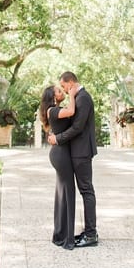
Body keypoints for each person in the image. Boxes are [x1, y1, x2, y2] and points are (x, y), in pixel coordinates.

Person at [47, 71, 98, 248]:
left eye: (64, 86)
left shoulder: (83, 98)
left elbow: (77, 128)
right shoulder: (78, 97)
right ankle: (88, 231)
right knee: (83, 190)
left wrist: (58, 138)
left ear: (70, 83)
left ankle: (91, 234)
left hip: (82, 152)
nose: (64, 89)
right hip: (74, 152)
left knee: (86, 190)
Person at [39, 83, 77, 249]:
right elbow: (71, 112)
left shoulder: (54, 110)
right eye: (59, 91)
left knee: (63, 195)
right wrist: (73, 94)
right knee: (68, 194)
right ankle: (66, 238)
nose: (63, 92)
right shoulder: (52, 110)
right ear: (53, 96)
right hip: (60, 155)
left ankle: (61, 233)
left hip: (60, 153)